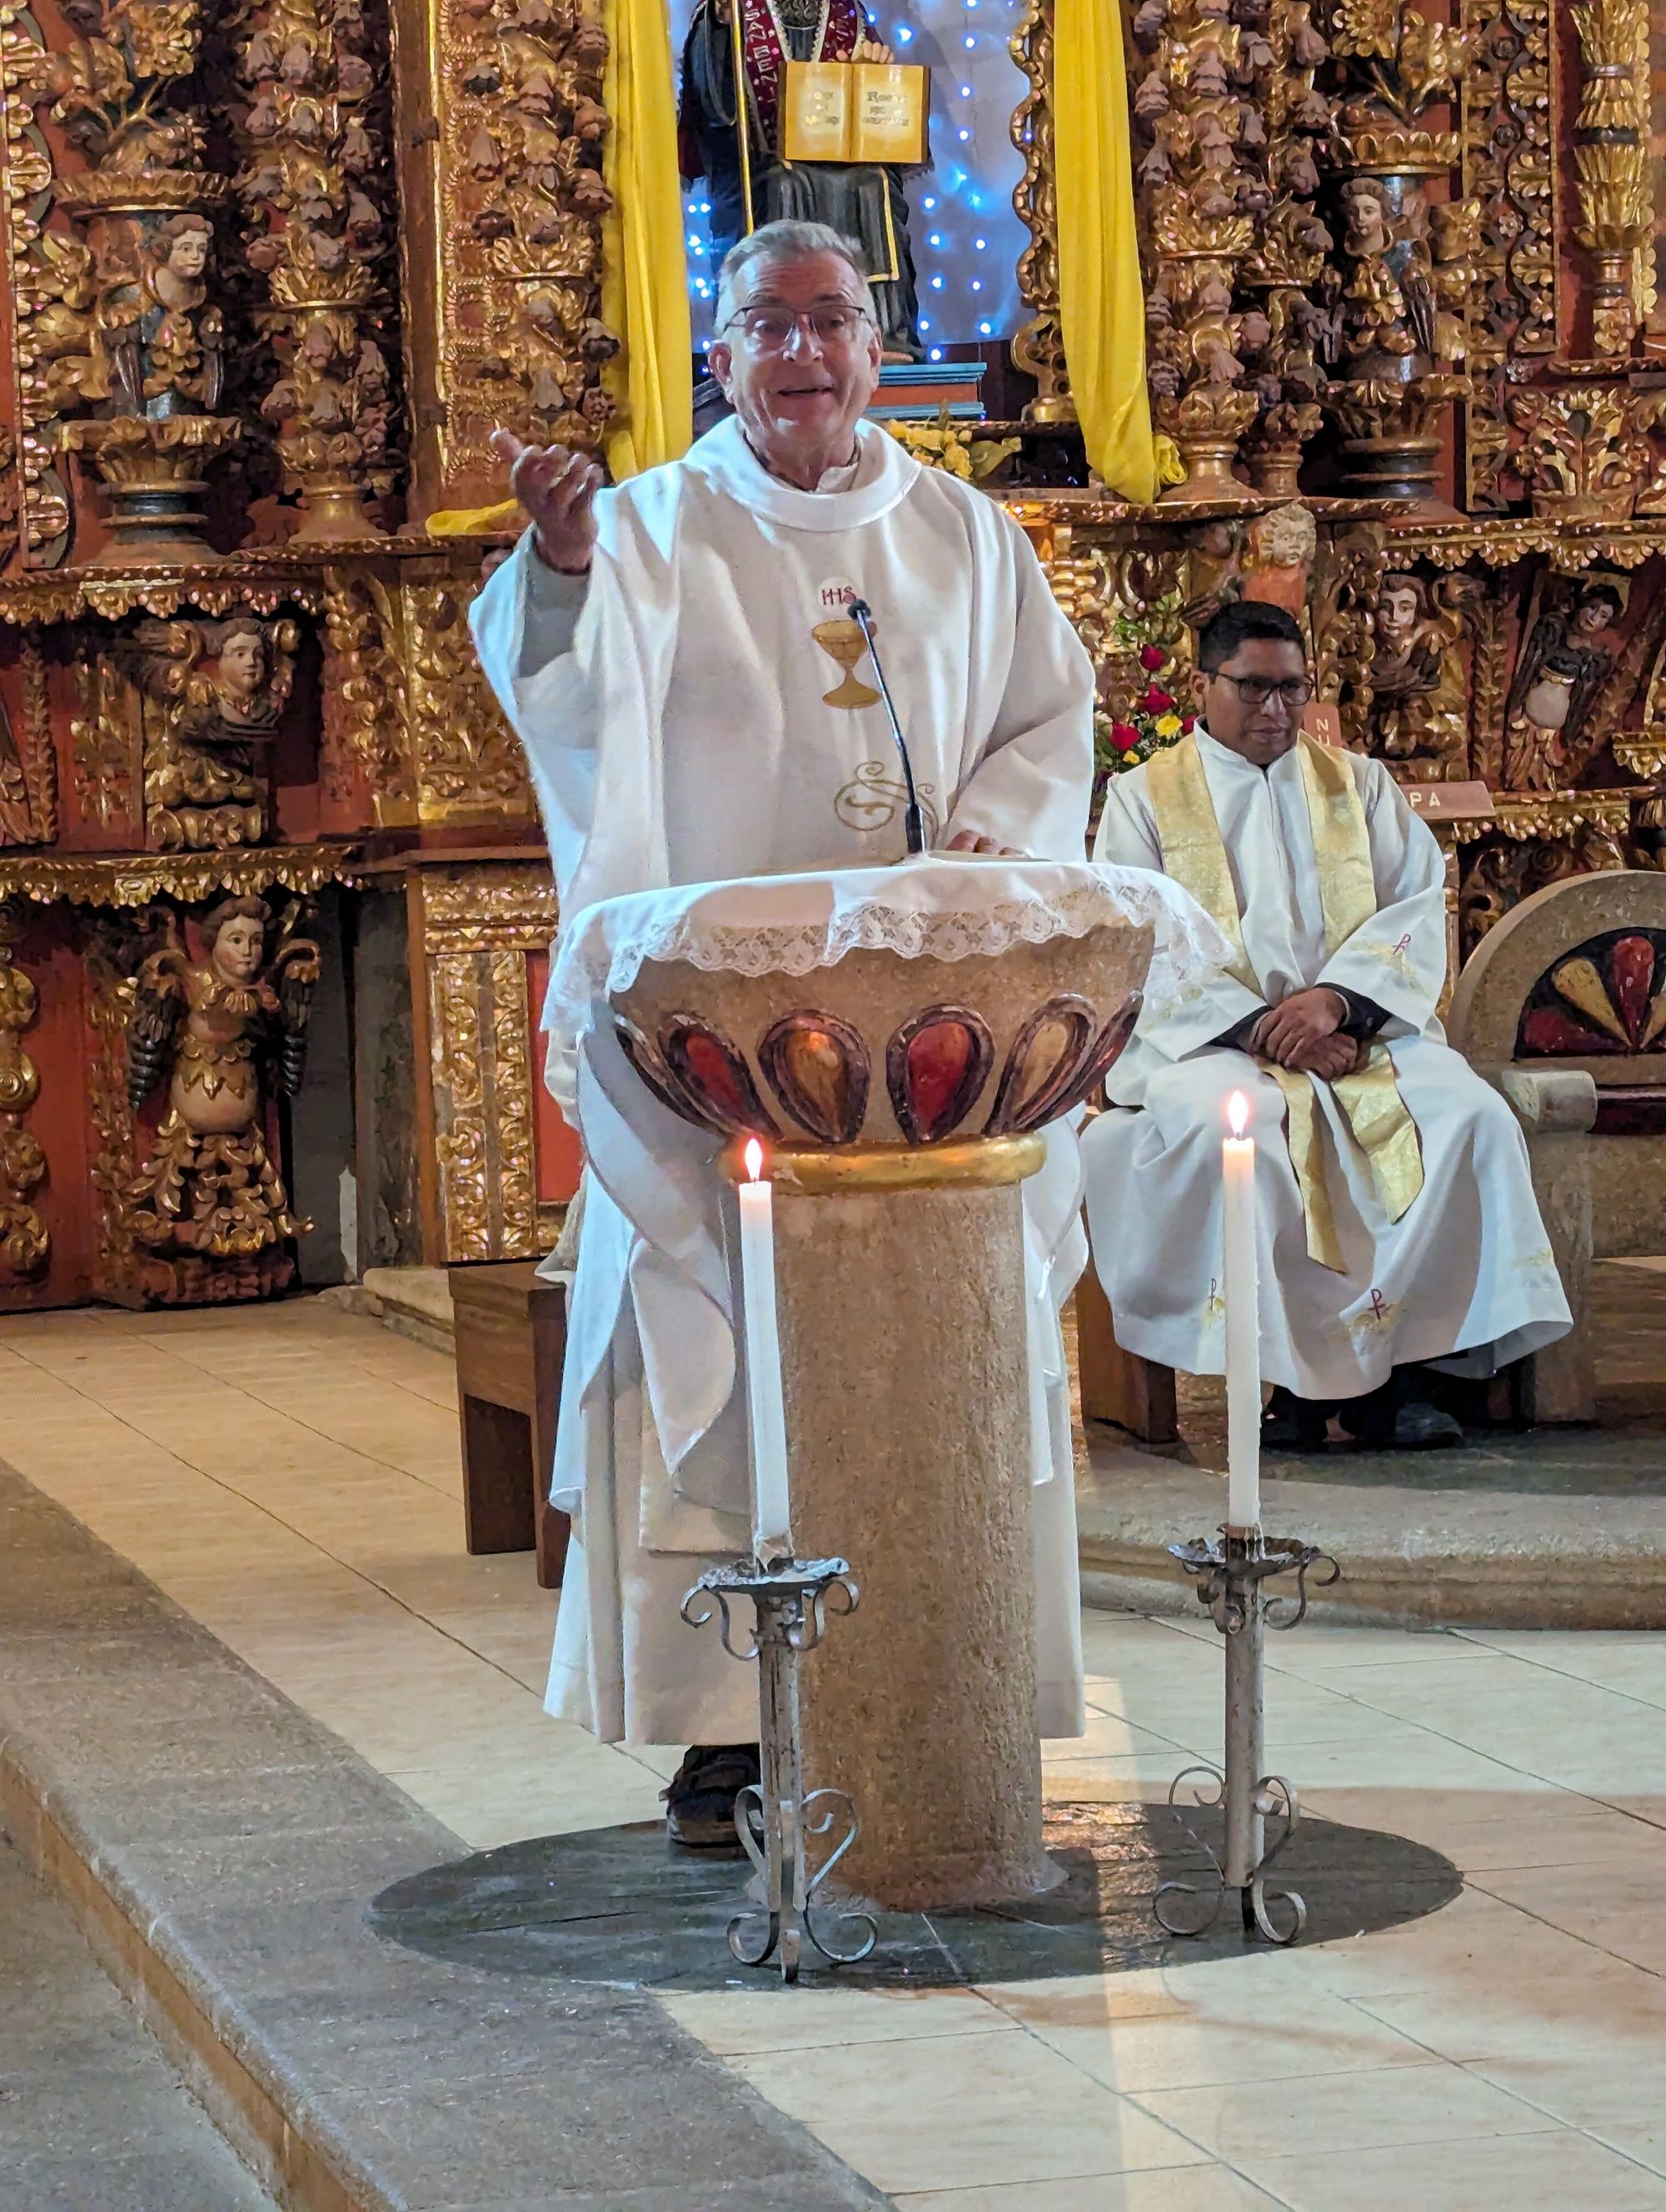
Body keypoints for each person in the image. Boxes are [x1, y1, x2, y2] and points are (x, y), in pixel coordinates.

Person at [470, 217, 1096, 1844]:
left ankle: (940, 1669)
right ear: (718, 353)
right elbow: (558, 691)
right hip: (725, 1058)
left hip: (927, 1052)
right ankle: (725, 1727)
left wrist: (982, 839)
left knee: (932, 1333)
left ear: (873, 347)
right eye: (767, 325)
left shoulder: (966, 536)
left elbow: (1051, 719)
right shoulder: (652, 529)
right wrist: (551, 568)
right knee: (720, 1343)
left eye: (830, 320)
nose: (802, 352)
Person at [1083, 600, 1571, 1451]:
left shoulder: (1359, 785)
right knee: (1241, 1134)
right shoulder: (1142, 800)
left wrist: (1337, 1004)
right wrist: (1265, 1030)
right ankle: (1288, 1382)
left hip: (1359, 1033)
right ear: (1204, 684)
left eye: (1292, 690)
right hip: (1213, 1045)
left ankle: (1408, 1374)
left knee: (1468, 1120)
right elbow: (1135, 936)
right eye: (1253, 689)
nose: (1277, 710)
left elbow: (1416, 910)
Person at [678, 0, 920, 356]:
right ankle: (781, 329)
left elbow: (878, 108)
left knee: (876, 184)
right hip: (765, 163)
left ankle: (881, 330)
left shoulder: (845, 11)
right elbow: (715, 108)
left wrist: (871, 76)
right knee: (784, 184)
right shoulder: (726, 10)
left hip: (843, 161)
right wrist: (721, 29)